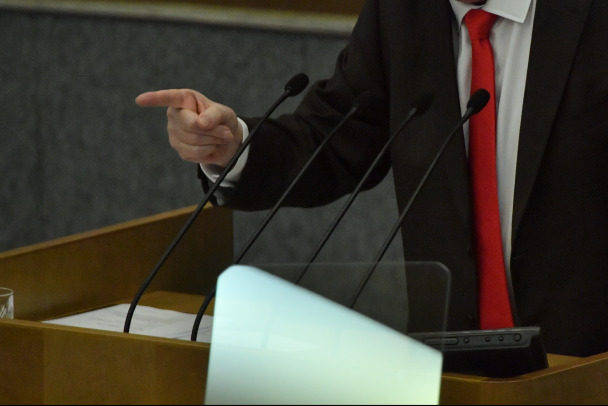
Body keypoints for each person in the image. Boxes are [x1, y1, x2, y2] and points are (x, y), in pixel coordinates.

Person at [135, 0, 608, 358]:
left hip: (587, 366)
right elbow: (336, 136)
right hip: (455, 369)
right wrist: (233, 146)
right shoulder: (402, 13)